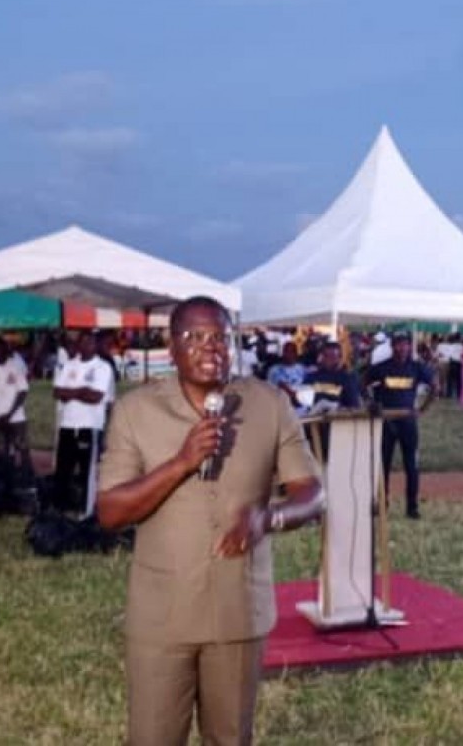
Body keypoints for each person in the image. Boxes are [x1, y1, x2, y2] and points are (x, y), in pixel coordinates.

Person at [97, 296, 324, 746]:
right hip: (162, 615)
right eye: (195, 337)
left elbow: (313, 492)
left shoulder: (267, 404)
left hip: (237, 610)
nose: (210, 347)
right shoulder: (136, 411)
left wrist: (269, 517)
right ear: (172, 347)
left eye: (220, 337)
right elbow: (109, 512)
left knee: (231, 738)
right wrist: (181, 462)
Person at [366, 331, 434, 519]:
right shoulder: (381, 368)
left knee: (411, 466)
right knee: (383, 464)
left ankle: (412, 507)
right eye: (398, 344)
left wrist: (422, 408)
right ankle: (381, 503)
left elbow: (436, 385)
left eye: (405, 344)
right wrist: (371, 403)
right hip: (387, 421)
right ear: (392, 346)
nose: (402, 348)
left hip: (408, 422)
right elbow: (362, 384)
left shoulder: (416, 367)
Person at [54, 330, 115, 515]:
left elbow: (95, 397)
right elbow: (57, 392)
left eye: (90, 342)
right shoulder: (69, 365)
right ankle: (60, 508)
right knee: (63, 470)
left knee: (86, 472)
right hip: (67, 425)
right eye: (83, 342)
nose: (86, 345)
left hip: (89, 426)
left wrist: (71, 392)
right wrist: (81, 391)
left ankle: (86, 511)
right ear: (78, 344)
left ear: (95, 345)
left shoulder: (102, 367)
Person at [0, 338, 32, 477]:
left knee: (23, 451)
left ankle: (27, 484)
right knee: (1, 454)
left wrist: (9, 415)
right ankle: (5, 484)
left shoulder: (15, 366)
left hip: (16, 419)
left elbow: (23, 391)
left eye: (1, 350)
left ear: (7, 351)